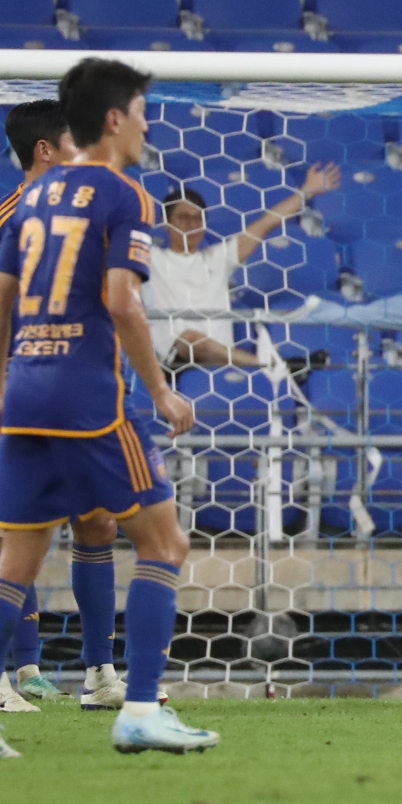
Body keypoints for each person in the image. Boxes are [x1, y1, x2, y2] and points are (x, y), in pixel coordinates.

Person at [0, 57, 217, 756]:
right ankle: (141, 708)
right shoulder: (126, 196)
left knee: (17, 558)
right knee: (164, 542)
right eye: (145, 112)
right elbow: (123, 300)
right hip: (88, 396)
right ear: (116, 118)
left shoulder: (31, 196)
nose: (150, 126)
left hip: (24, 389)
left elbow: (1, 299)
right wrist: (158, 389)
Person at [0, 100, 125, 716]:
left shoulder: (76, 220)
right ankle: (3, 675)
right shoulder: (10, 218)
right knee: (14, 535)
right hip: (19, 396)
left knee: (97, 523)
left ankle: (99, 672)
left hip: (77, 396)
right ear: (45, 151)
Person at [145, 164, 339, 371]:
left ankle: (274, 366)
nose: (191, 225)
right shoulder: (151, 258)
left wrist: (306, 191)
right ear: (166, 223)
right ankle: (274, 366)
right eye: (183, 218)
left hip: (220, 362)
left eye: (197, 219)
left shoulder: (217, 258)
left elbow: (265, 224)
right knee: (192, 338)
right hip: (174, 360)